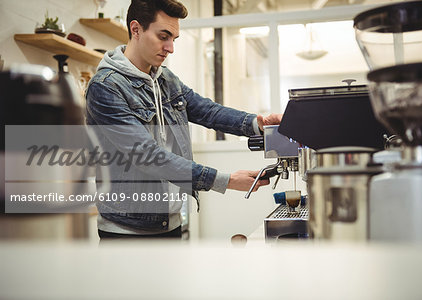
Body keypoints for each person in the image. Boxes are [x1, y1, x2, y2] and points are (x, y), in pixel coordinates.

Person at [85, 0, 282, 239]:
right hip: (127, 231)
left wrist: (258, 123)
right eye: (163, 36)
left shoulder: (166, 80)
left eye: (174, 39)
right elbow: (148, 156)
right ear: (135, 29)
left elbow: (209, 111)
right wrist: (225, 180)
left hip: (171, 222)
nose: (170, 48)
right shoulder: (106, 87)